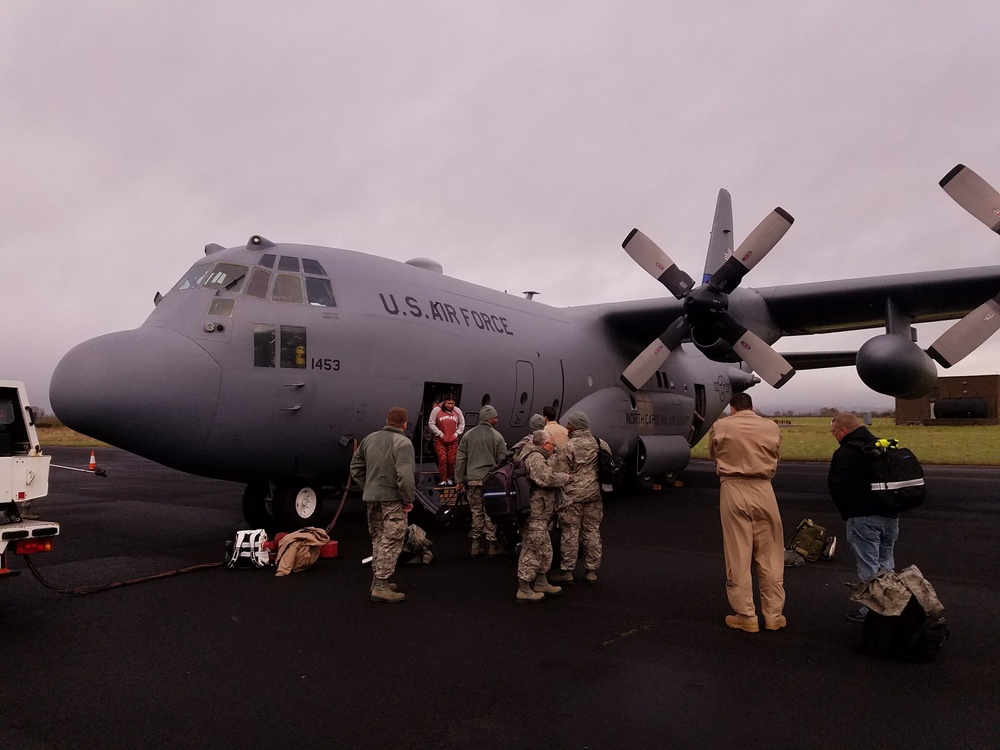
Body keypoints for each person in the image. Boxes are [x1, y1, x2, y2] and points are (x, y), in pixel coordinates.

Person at [707, 392, 786, 633]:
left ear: (732, 409)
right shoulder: (770, 426)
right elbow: (777, 455)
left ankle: (746, 615)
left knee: (738, 553)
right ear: (752, 407)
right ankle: (773, 614)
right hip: (764, 488)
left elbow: (713, 452)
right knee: (771, 552)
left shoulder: (721, 426)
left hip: (732, 487)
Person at [829, 411, 899, 622]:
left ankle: (873, 612)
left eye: (834, 432)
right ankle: (893, 605)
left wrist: (848, 513)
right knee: (886, 563)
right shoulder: (882, 446)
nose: (833, 436)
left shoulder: (845, 453)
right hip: (891, 516)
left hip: (863, 517)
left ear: (843, 430)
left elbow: (837, 487)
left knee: (868, 567)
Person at [349, 406, 415, 603]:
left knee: (378, 539)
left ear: (387, 420)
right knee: (392, 539)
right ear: (404, 423)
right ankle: (381, 585)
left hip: (372, 499)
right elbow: (405, 476)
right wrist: (408, 499)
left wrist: (368, 486)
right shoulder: (403, 443)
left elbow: (355, 467)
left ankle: (377, 581)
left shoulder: (370, 439)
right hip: (393, 500)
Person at [550, 411, 607, 585]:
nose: (567, 426)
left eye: (569, 424)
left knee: (570, 532)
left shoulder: (569, 446)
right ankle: (592, 571)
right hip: (594, 494)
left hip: (573, 496)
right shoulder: (600, 444)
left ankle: (567, 571)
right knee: (592, 531)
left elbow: (561, 472)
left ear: (576, 426)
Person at [514, 429, 570, 603]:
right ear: (544, 444)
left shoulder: (531, 454)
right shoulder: (535, 458)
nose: (554, 448)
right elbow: (547, 478)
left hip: (539, 512)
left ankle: (541, 582)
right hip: (534, 513)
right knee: (532, 549)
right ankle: (524, 588)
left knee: (544, 548)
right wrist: (564, 477)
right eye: (553, 445)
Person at [455, 404, 507, 558]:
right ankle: (492, 546)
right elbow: (502, 460)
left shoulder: (468, 435)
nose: (497, 420)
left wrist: (458, 480)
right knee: (490, 513)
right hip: (490, 482)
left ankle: (475, 546)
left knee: (476, 512)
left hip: (473, 481)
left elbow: (460, 459)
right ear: (489, 419)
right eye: (495, 417)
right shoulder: (497, 437)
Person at [427, 395, 465, 485]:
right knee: (443, 458)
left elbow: (462, 424)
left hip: (453, 440)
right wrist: (440, 434)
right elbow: (431, 423)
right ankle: (443, 479)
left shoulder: (457, 411)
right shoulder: (436, 410)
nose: (450, 405)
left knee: (451, 460)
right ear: (444, 401)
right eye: (448, 403)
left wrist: (456, 434)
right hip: (439, 440)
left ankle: (449, 477)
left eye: (452, 403)